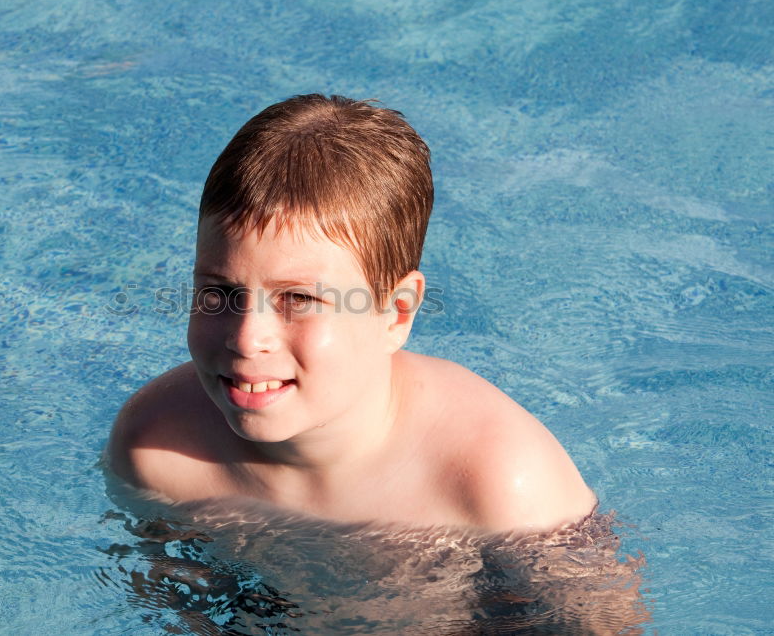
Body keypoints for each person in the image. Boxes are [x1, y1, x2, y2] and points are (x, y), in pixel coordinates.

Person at [106, 94, 596, 533]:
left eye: (298, 299)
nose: (247, 337)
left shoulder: (500, 487)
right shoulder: (157, 450)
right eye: (220, 292)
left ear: (396, 313)